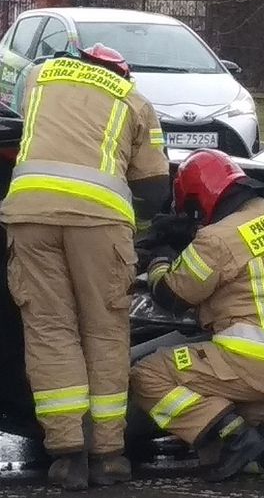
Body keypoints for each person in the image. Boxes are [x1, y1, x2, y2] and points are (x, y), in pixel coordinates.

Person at [0, 45, 169, 490]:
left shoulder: (41, 77)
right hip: (100, 222)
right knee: (104, 330)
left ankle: (66, 455)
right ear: (121, 72)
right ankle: (108, 455)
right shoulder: (135, 100)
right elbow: (154, 189)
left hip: (29, 214)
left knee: (50, 330)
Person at [130, 149, 264, 482]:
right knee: (250, 430)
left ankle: (234, 436)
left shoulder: (217, 238)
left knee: (147, 375)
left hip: (250, 360)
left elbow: (174, 295)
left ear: (199, 199)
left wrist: (159, 259)